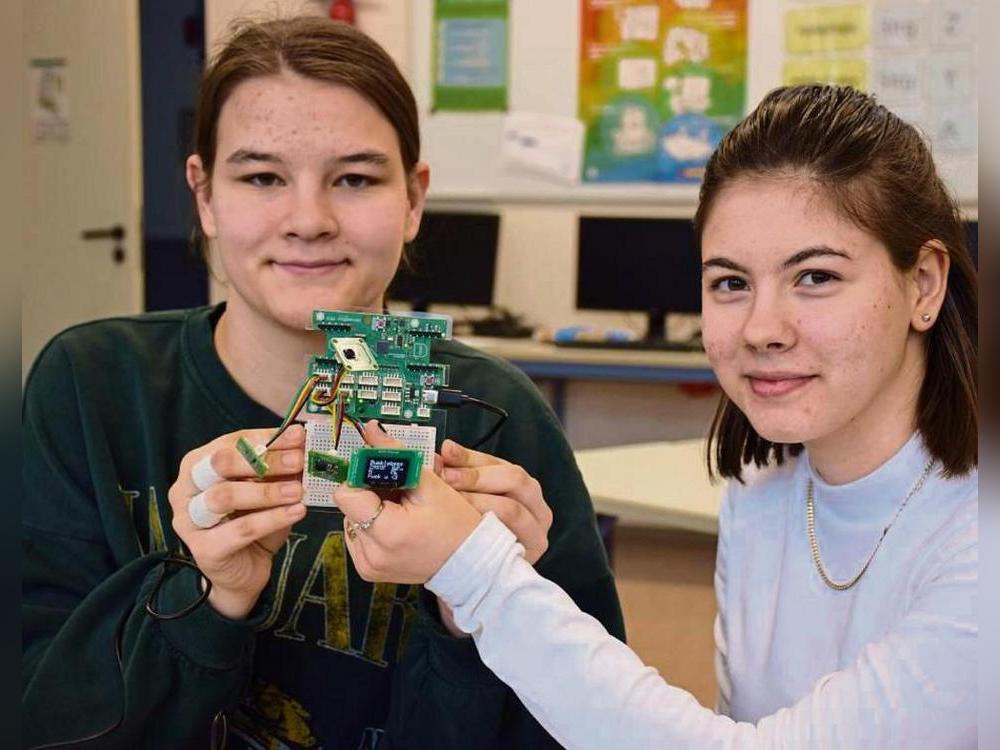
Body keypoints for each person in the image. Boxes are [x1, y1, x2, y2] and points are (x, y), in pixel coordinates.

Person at [21, 16, 624, 749]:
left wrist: (483, 608)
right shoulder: (91, 388)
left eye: (356, 178)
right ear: (204, 194)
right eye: (262, 177)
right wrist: (207, 599)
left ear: (413, 199)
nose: (308, 219)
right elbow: (37, 713)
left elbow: (593, 728)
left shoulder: (499, 425)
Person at [335, 84, 979, 748]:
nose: (761, 329)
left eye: (815, 277)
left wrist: (476, 569)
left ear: (924, 284)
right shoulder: (764, 499)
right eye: (730, 283)